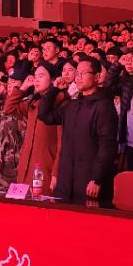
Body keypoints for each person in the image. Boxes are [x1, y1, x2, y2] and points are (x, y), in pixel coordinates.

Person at [39, 57, 118, 204]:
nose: (78, 77)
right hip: (66, 180)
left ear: (97, 77)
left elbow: (107, 146)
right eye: (77, 74)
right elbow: (44, 115)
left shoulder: (104, 106)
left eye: (83, 73)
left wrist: (97, 179)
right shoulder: (72, 105)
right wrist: (54, 89)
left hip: (89, 182)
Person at [5, 63, 63, 195]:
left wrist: (56, 173)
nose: (36, 80)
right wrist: (23, 87)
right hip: (26, 166)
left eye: (41, 76)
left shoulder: (60, 103)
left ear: (53, 80)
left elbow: (62, 144)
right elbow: (9, 108)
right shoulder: (34, 102)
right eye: (35, 76)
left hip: (45, 169)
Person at [0, 55, 24, 191]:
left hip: (14, 159)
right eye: (10, 81)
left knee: (10, 193)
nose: (11, 84)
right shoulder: (5, 103)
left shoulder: (24, 105)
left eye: (15, 81)